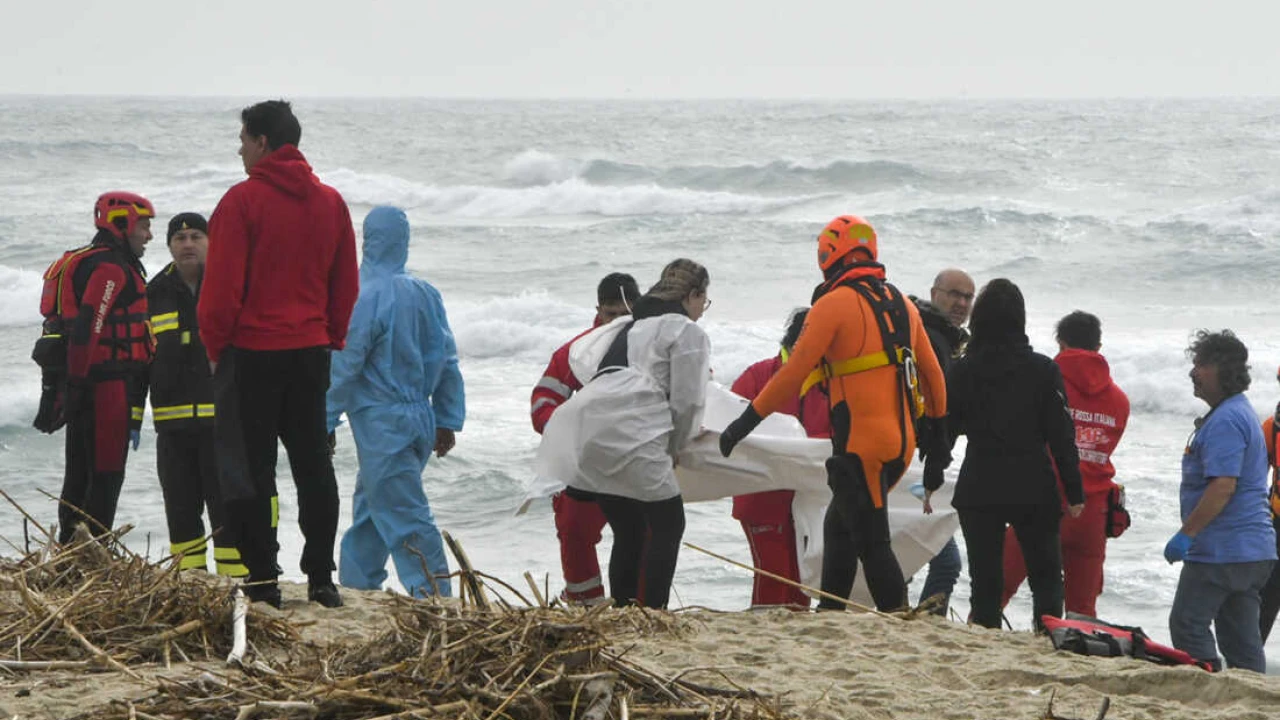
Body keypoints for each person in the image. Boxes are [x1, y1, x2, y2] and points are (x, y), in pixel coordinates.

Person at [720, 215, 947, 613]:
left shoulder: (833, 304)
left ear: (828, 255)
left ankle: (900, 618)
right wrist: (938, 439)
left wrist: (743, 423)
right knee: (839, 525)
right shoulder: (902, 304)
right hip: (902, 443)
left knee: (873, 542)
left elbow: (793, 372)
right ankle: (830, 613)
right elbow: (933, 375)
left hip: (863, 445)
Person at [199, 100, 359, 609]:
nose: (239, 147)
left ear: (263, 143)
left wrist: (213, 346)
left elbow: (221, 290)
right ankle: (320, 578)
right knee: (313, 463)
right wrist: (329, 334)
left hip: (251, 353)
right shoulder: (331, 202)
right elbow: (345, 283)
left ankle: (263, 577)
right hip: (310, 350)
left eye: (243, 138)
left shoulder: (242, 202)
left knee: (251, 468)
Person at [554, 259, 712, 609]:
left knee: (629, 529)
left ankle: (624, 612)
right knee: (669, 524)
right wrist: (675, 448)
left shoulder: (631, 325)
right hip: (632, 433)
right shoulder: (687, 331)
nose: (703, 310)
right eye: (704, 301)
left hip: (589, 429)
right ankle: (653, 613)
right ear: (693, 294)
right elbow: (687, 402)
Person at [326, 206, 465, 598]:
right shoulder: (425, 293)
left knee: (404, 514)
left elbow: (346, 364)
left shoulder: (363, 294)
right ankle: (358, 585)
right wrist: (447, 418)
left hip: (382, 420)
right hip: (420, 415)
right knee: (373, 507)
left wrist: (324, 417)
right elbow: (448, 359)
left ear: (366, 240)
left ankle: (435, 596)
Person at [937, 279, 1083, 631]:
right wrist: (1075, 491)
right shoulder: (1042, 369)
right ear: (1020, 319)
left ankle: (985, 639)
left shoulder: (963, 370)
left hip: (980, 484)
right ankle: (1047, 638)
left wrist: (930, 477)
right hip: (1032, 482)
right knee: (1046, 577)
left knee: (985, 580)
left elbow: (945, 431)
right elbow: (1061, 435)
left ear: (980, 319)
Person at [35, 192, 155, 544]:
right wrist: (77, 383)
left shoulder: (87, 260)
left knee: (79, 471)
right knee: (105, 473)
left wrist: (67, 388)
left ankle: (71, 551)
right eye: (144, 226)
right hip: (103, 386)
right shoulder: (109, 268)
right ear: (122, 224)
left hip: (82, 382)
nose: (148, 235)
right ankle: (93, 554)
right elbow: (90, 325)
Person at [1001, 311, 1129, 618]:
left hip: (1041, 503)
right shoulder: (1119, 400)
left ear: (1061, 343)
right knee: (1082, 610)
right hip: (1092, 511)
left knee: (997, 588)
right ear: (1099, 346)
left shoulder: (1043, 381)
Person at [1167, 330, 1275, 672]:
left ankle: (1207, 687)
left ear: (1223, 370)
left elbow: (1223, 486)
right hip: (1254, 551)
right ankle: (1249, 698)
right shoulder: (1239, 412)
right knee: (1242, 641)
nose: (1193, 372)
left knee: (1187, 624)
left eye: (1201, 364)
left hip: (1223, 551)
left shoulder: (1227, 419)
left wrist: (1187, 534)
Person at [531, 272, 640, 606]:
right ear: (598, 311)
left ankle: (639, 605)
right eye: (611, 314)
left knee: (645, 536)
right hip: (587, 461)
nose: (619, 321)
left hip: (636, 458)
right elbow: (542, 401)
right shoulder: (576, 351)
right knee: (574, 526)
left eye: (626, 314)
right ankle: (585, 604)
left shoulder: (652, 344)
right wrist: (567, 430)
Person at [146, 213, 245, 576]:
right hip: (172, 431)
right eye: (180, 237)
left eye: (196, 236)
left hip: (223, 426)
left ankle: (236, 585)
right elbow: (141, 361)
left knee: (228, 511)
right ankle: (190, 584)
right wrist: (131, 416)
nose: (187, 243)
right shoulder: (152, 294)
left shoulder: (230, 286)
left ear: (211, 242)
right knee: (181, 511)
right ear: (169, 245)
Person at [730, 308, 830, 608]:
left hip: (811, 501)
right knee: (774, 577)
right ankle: (762, 639)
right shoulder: (759, 376)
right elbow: (726, 427)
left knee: (803, 583)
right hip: (762, 499)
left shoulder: (830, 382)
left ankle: (792, 645)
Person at [908, 268, 974, 616]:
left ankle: (904, 618)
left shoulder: (942, 337)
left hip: (916, 462)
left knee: (907, 548)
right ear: (935, 294)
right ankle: (921, 622)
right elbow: (935, 408)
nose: (962, 303)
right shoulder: (930, 338)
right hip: (912, 464)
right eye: (954, 294)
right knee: (945, 561)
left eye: (968, 297)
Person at [1258, 364, 1280, 641]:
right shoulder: (1272, 427)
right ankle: (1248, 665)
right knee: (1265, 599)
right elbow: (1251, 482)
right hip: (1275, 526)